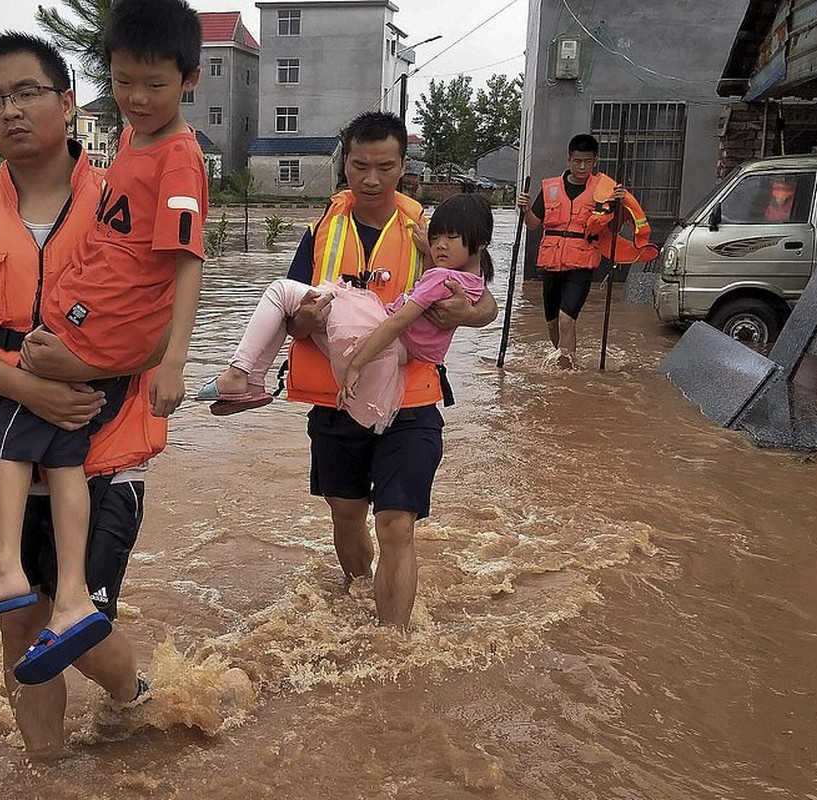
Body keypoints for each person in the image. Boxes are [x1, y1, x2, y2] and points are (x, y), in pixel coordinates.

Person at [0, 27, 180, 757]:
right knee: (18, 621)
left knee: (80, 625)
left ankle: (134, 697)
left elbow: (163, 333)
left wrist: (79, 374)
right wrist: (29, 392)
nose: (9, 110)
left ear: (67, 103)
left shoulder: (125, 200)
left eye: (27, 93)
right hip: (3, 451)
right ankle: (45, 770)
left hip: (101, 449)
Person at [255, 111, 496, 627]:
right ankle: (359, 592)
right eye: (359, 165)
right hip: (337, 400)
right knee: (346, 516)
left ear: (403, 167)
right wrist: (302, 320)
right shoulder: (319, 234)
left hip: (411, 400)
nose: (370, 179)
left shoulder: (431, 234)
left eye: (384, 167)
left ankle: (392, 643)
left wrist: (469, 312)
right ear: (344, 164)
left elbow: (485, 297)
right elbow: (287, 318)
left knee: (396, 524)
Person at [195, 193, 495, 435]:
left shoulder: (438, 272)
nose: (439, 243)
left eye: (450, 237)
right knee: (293, 302)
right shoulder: (472, 278)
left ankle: (241, 375)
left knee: (280, 292)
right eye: (437, 237)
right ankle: (252, 382)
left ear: (401, 165)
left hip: (377, 336)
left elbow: (398, 321)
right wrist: (431, 254)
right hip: (397, 349)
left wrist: (357, 364)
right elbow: (469, 282)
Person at [516, 133, 630, 370]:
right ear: (568, 160)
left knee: (567, 320)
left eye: (588, 162)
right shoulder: (549, 188)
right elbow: (533, 224)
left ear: (595, 161)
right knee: (552, 324)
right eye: (577, 161)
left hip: (581, 264)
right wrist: (524, 209)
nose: (582, 166)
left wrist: (619, 204)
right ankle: (564, 359)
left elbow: (614, 226)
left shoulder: (604, 190)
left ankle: (567, 372)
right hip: (551, 263)